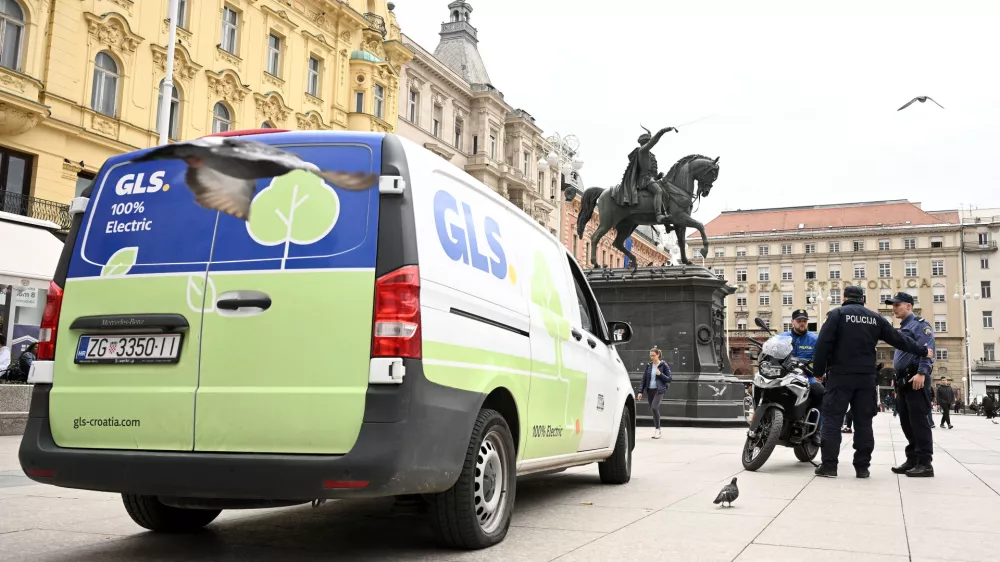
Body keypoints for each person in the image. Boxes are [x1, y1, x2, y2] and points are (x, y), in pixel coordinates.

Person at [811, 285, 931, 479]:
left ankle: (829, 466)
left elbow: (823, 344)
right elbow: (898, 339)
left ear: (844, 297)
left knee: (833, 420)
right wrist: (922, 350)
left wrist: (818, 371)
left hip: (840, 376)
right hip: (866, 378)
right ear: (863, 299)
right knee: (863, 422)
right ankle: (862, 468)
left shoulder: (837, 314)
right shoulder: (875, 318)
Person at [885, 292, 938, 478]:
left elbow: (929, 351)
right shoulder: (903, 328)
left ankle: (925, 463)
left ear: (909, 305)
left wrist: (922, 372)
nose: (894, 308)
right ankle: (913, 459)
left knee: (919, 422)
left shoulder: (920, 325)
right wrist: (896, 375)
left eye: (897, 305)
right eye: (893, 305)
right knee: (906, 422)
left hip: (916, 379)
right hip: (903, 381)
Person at [637, 346, 672, 439]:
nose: (652, 357)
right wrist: (640, 392)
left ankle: (658, 430)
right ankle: (657, 429)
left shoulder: (664, 365)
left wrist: (660, 374)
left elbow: (669, 379)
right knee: (653, 409)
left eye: (653, 355)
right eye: (650, 356)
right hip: (650, 390)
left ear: (658, 355)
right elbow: (644, 379)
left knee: (654, 407)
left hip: (659, 390)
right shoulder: (649, 365)